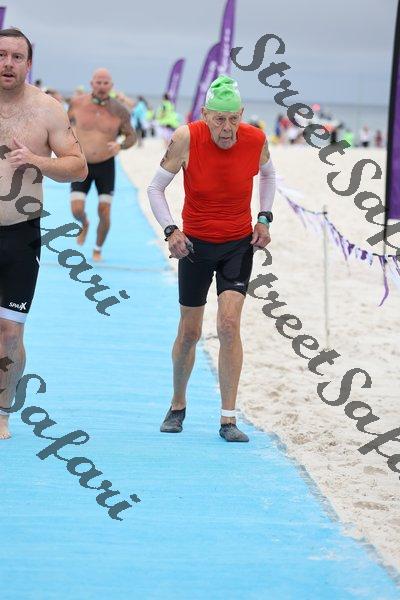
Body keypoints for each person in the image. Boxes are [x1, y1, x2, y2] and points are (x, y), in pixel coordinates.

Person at [147, 76, 276, 443]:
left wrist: (264, 218)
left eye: (234, 118)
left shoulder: (256, 139)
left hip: (237, 245)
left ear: (242, 114)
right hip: (195, 247)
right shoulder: (186, 138)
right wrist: (171, 231)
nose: (227, 128)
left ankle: (228, 418)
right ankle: (177, 405)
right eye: (219, 119)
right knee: (190, 332)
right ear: (205, 114)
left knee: (229, 325)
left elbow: (270, 176)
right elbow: (155, 188)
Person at [0, 28, 87, 440]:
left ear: (28, 64)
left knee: (10, 334)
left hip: (21, 234)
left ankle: (2, 412)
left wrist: (36, 160)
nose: (8, 63)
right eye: (1, 55)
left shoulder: (47, 110)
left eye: (17, 57)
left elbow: (78, 167)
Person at [68, 68, 136, 261]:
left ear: (111, 86)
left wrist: (120, 145)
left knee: (104, 212)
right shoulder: (77, 103)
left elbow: (132, 137)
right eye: (98, 82)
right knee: (76, 210)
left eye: (106, 83)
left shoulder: (120, 110)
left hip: (106, 165)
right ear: (92, 84)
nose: (102, 86)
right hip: (82, 165)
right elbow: (62, 126)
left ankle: (97, 248)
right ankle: (84, 223)